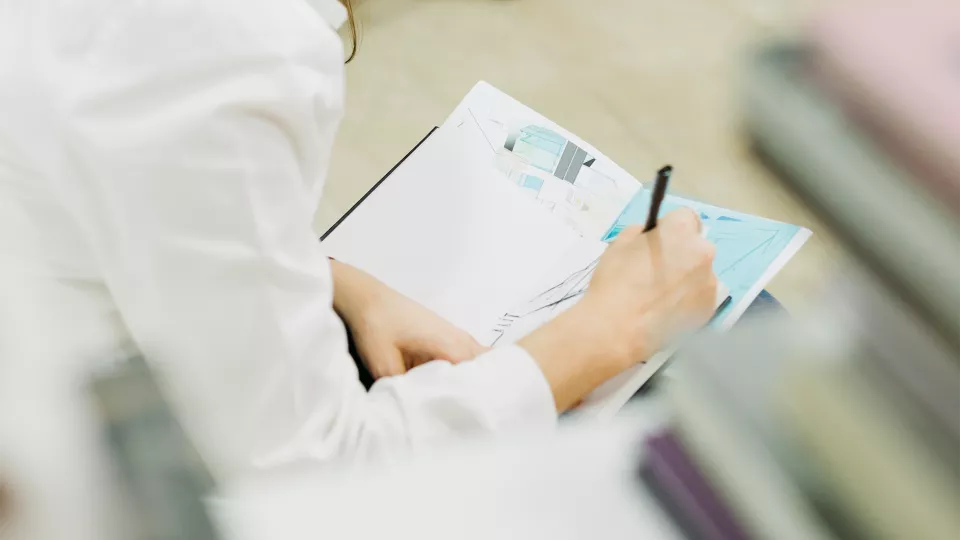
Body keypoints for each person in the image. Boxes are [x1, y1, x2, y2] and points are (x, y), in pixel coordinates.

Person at [0, 1, 716, 538]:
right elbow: (300, 488)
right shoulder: (231, 42)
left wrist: (333, 277)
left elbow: (100, 169)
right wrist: (596, 337)